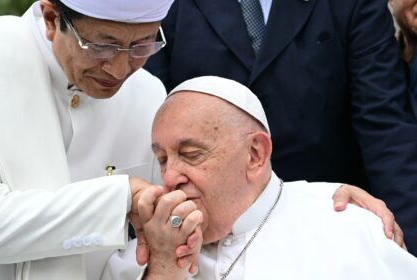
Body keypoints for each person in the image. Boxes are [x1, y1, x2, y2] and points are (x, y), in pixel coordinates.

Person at [145, 0, 417, 255]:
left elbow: (385, 129)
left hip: (330, 226)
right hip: (205, 236)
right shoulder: (165, 6)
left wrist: (408, 246)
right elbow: (150, 123)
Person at [137, 76, 417, 279]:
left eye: (191, 154)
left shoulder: (348, 228)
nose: (170, 177)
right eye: (162, 159)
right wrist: (164, 266)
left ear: (255, 154)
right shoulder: (143, 254)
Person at [0, 0, 193, 279]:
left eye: (141, 47)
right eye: (102, 46)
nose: (118, 70)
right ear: (52, 19)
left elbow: (141, 248)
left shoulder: (148, 96)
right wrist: (120, 198)